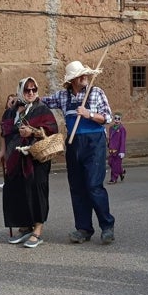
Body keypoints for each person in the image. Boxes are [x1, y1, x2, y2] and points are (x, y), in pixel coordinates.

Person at [41, 60, 116, 245]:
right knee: (77, 187)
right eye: (81, 75)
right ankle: (83, 228)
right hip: (74, 144)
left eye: (85, 74)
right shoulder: (62, 96)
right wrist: (23, 98)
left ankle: (107, 227)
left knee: (93, 185)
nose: (85, 77)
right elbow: (43, 101)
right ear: (72, 80)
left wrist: (88, 114)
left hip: (94, 143)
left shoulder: (96, 92)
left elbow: (108, 117)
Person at [0, 77, 58, 248]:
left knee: (36, 191)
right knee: (16, 190)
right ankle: (24, 226)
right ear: (20, 91)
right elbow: (4, 131)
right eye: (27, 90)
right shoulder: (11, 111)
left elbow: (52, 130)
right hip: (14, 157)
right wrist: (2, 150)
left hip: (36, 158)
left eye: (33, 89)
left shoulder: (42, 109)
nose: (31, 93)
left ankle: (37, 230)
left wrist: (31, 132)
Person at [0, 94, 16, 190]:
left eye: (13, 100)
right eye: (9, 100)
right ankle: (7, 182)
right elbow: (3, 132)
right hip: (8, 142)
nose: (10, 102)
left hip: (17, 144)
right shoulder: (6, 114)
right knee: (7, 163)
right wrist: (2, 150)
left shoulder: (19, 112)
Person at [107, 112, 126, 184]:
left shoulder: (122, 129)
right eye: (115, 118)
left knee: (116, 165)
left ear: (121, 120)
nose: (116, 120)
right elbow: (110, 138)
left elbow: (123, 140)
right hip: (112, 149)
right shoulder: (111, 128)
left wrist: (122, 151)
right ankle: (121, 171)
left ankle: (113, 178)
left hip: (118, 150)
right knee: (110, 163)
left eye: (118, 119)